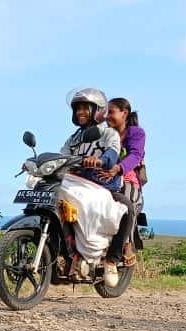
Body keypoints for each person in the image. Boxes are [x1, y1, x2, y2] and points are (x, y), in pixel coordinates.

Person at [61, 88, 126, 286]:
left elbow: (111, 156)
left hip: (102, 185)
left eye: (84, 108)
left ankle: (111, 261)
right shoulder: (73, 138)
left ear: (97, 110)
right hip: (77, 184)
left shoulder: (108, 134)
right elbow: (61, 156)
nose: (80, 112)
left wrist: (98, 161)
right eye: (77, 108)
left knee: (127, 211)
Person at [97, 97, 144, 270]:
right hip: (102, 179)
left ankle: (126, 245)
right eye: (105, 112)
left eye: (111, 112)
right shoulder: (104, 134)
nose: (107, 116)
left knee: (125, 202)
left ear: (124, 113)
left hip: (126, 178)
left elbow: (135, 156)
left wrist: (119, 168)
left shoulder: (136, 133)